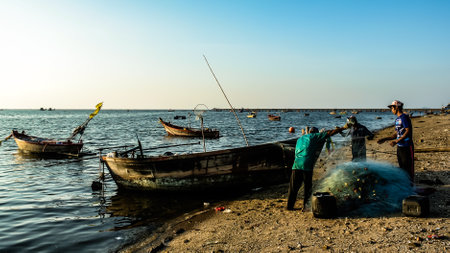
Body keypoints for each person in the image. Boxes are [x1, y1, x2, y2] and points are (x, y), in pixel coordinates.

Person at [287, 125, 348, 211]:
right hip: (306, 164)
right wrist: (342, 128)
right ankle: (305, 206)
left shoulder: (300, 139)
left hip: (296, 164)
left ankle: (289, 206)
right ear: (315, 133)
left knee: (293, 187)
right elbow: (330, 133)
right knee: (307, 186)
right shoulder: (315, 136)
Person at [377, 100, 414, 181]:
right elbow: (396, 134)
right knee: (402, 168)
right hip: (400, 147)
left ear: (396, 107)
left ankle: (411, 186)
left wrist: (396, 141)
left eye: (392, 108)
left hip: (407, 146)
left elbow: (408, 131)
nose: (391, 110)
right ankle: (405, 186)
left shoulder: (404, 117)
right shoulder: (397, 119)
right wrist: (384, 139)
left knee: (408, 168)